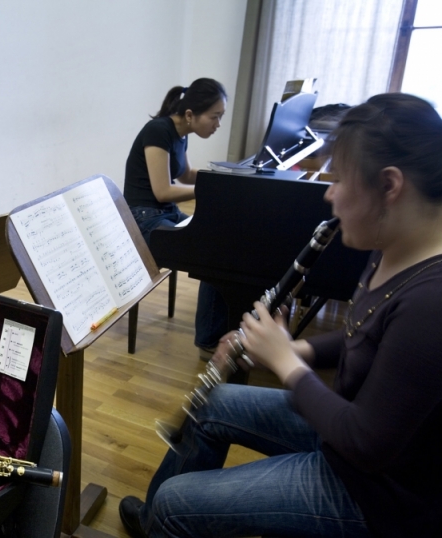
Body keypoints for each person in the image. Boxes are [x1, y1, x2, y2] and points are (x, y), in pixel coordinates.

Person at [119, 92, 442, 537]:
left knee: (179, 504)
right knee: (212, 405)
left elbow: (366, 444)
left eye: (341, 179)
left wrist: (284, 362)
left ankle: (167, 519)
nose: (329, 194)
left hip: (374, 493)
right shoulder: (394, 244)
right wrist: (295, 347)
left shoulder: (431, 303)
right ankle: (160, 524)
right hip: (343, 437)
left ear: (390, 186)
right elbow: (361, 335)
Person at [122, 78, 229, 359]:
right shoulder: (158, 131)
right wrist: (210, 190)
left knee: (221, 239)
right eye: (215, 117)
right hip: (143, 220)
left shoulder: (181, 133)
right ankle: (208, 341)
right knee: (213, 254)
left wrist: (225, 177)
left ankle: (222, 328)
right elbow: (162, 190)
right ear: (191, 115)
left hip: (163, 213)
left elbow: (186, 175)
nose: (218, 124)